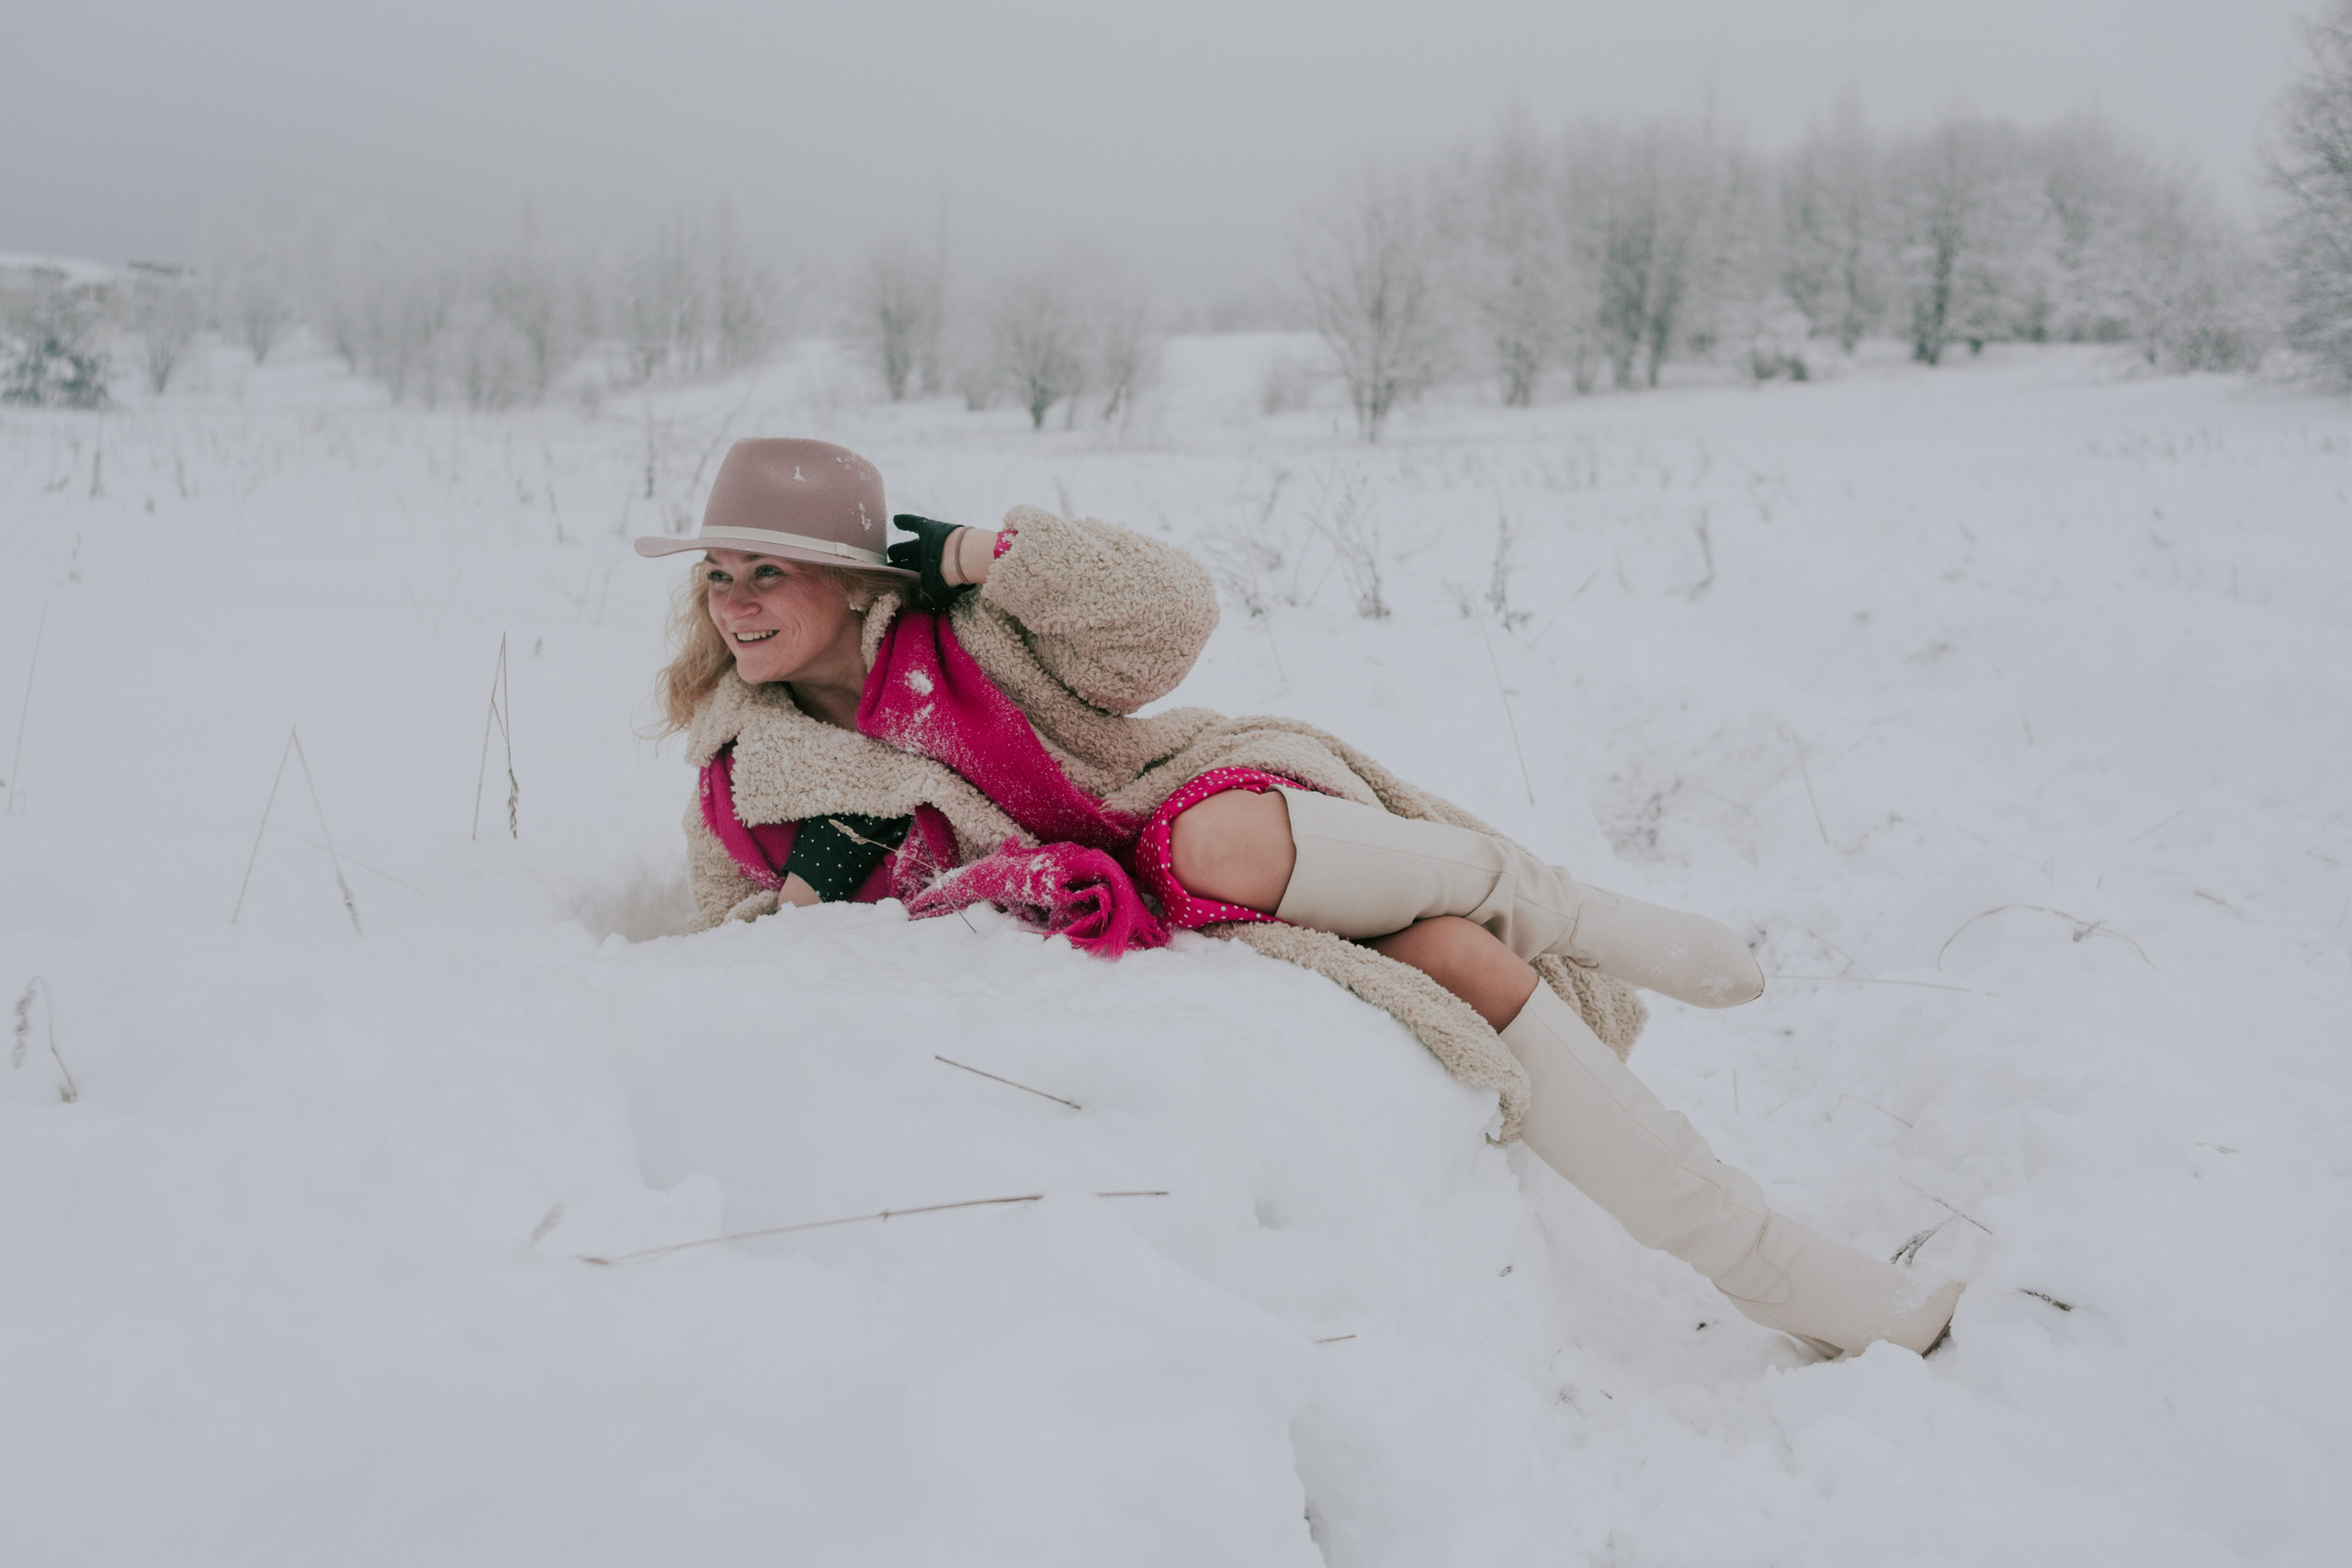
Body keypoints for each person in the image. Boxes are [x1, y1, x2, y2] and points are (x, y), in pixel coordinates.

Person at [638, 437, 1962, 1359]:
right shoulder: (745, 777)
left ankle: (1563, 906)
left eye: (774, 569)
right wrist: (815, 888)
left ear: (856, 575)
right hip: (1140, 916)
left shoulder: (958, 634)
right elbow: (739, 962)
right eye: (723, 573)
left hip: (1222, 813)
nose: (741, 601)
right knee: (1452, 962)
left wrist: (987, 553)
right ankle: (1783, 1271)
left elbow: (1169, 616)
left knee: (1211, 844)